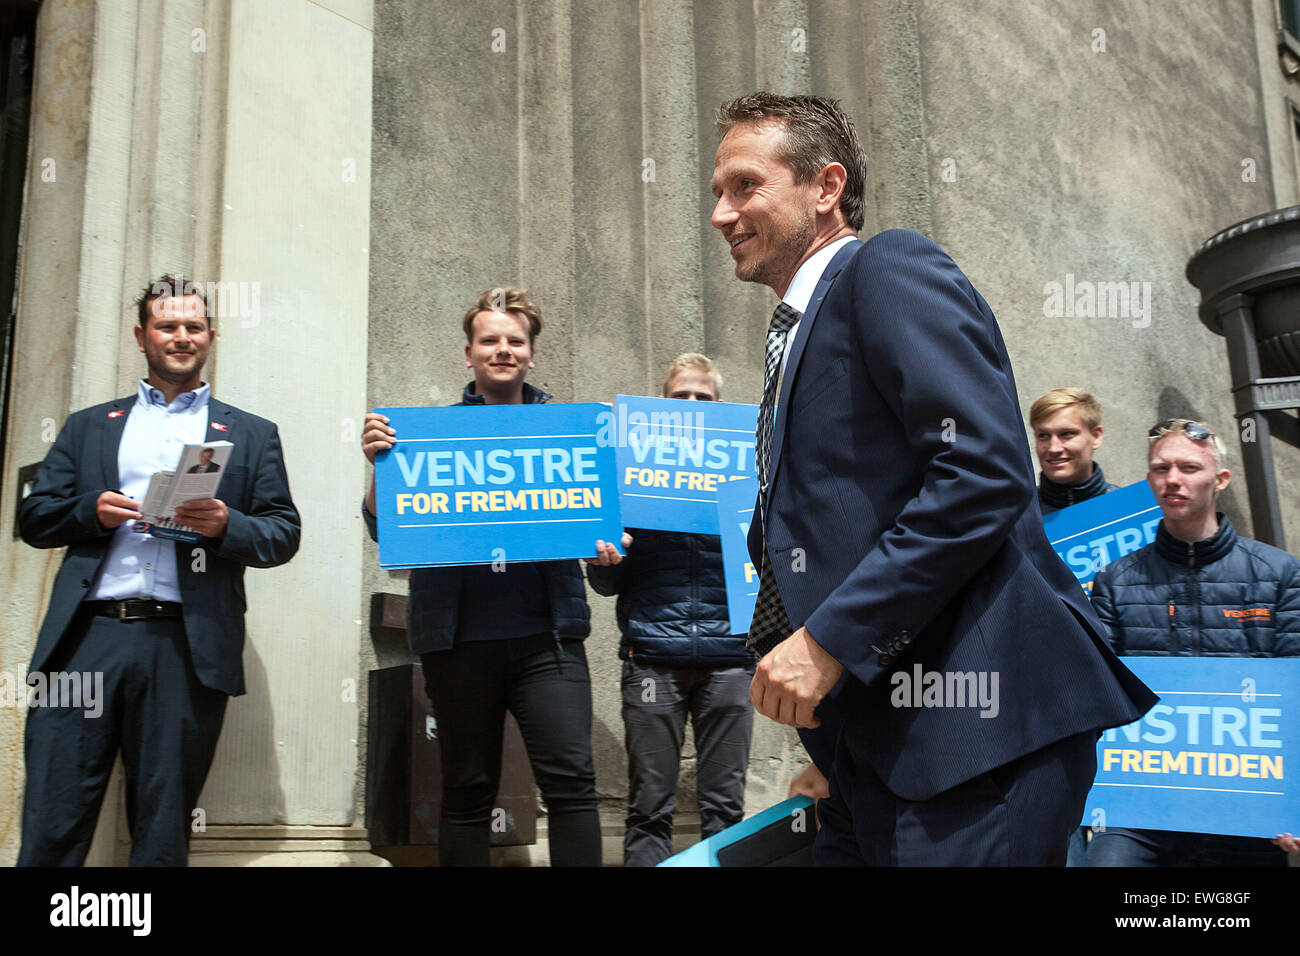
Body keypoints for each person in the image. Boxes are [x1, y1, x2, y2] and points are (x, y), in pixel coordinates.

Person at [709, 91, 1156, 865]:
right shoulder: (802, 333)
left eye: (745, 184)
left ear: (825, 188)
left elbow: (981, 472)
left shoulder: (885, 267)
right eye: (717, 191)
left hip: (977, 735)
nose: (721, 212)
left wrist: (829, 644)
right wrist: (841, 742)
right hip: (879, 748)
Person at [18, 274, 301, 866]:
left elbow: (282, 533)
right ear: (142, 336)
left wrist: (226, 525)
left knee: (162, 826)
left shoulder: (250, 433)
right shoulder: (89, 425)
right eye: (167, 326)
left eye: (193, 327)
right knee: (55, 816)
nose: (181, 337)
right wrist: (89, 513)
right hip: (87, 639)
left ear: (211, 336)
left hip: (184, 644)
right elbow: (34, 518)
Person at [361, 286, 612, 867]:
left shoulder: (571, 432)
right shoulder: (420, 435)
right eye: (490, 340)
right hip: (458, 642)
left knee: (573, 786)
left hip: (548, 638)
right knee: (467, 793)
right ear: (469, 354)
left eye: (515, 341)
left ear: (531, 354)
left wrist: (605, 544)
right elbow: (384, 529)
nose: (503, 349)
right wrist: (379, 469)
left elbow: (598, 524)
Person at [1087, 419, 1300, 866]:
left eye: (1188, 467)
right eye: (1161, 469)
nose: (1173, 480)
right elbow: (1099, 692)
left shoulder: (1280, 575)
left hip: (1251, 803)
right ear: (1148, 481)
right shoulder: (1115, 581)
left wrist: (1293, 802)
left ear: (1219, 479)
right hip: (1142, 805)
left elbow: (1295, 696)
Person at [586, 353, 754, 866]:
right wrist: (608, 553)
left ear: (720, 408)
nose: (693, 406)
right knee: (648, 808)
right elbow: (606, 582)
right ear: (661, 406)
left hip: (731, 659)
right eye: (681, 397)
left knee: (726, 811)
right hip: (652, 658)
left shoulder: (748, 468)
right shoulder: (631, 477)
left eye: (703, 398)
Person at [1030, 387, 1119, 515]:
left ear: (1096, 436)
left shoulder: (1130, 510)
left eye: (1066, 434)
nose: (1054, 448)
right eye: (1043, 436)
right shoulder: (1017, 516)